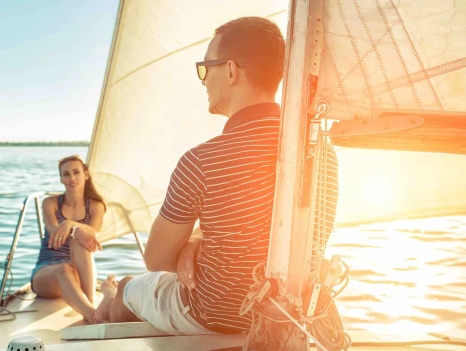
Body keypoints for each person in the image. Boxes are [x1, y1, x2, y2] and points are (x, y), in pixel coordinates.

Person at [94, 16, 339, 334]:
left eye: (205, 68)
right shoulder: (322, 153)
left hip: (213, 318)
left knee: (130, 285)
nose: (203, 80)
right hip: (292, 319)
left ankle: (111, 299)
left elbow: (155, 259)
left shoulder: (200, 161)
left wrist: (190, 244)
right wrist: (199, 238)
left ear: (231, 71)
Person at [31, 155, 106, 324]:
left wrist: (71, 225)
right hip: (47, 272)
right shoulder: (50, 203)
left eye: (76, 172)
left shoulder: (95, 206)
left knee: (80, 238)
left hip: (79, 274)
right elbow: (52, 229)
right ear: (61, 179)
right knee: (64, 268)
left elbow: (94, 233)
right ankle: (92, 315)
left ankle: (90, 302)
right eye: (66, 174)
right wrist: (71, 228)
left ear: (86, 175)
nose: (72, 178)